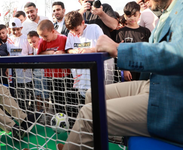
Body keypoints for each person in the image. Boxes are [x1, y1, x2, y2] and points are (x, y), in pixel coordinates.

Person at [58, 0, 183, 149]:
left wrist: (119, 49)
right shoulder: (167, 11)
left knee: (88, 115)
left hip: (172, 98)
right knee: (92, 94)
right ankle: (82, 144)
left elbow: (177, 54)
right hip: (155, 84)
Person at [37, 20, 73, 119]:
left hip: (65, 75)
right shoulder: (43, 41)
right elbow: (39, 55)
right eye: (41, 36)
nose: (43, 38)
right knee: (56, 100)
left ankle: (70, 119)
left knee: (68, 99)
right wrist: (49, 53)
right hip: (50, 76)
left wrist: (63, 54)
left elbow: (71, 53)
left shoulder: (63, 39)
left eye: (45, 36)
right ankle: (59, 120)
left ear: (53, 31)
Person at [116, 1, 151, 81]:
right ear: (125, 16)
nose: (132, 18)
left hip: (144, 67)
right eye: (129, 16)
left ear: (139, 14)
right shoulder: (121, 32)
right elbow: (120, 51)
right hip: (129, 68)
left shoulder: (146, 31)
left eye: (135, 15)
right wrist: (125, 69)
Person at [6, 18, 34, 110]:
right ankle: (20, 110)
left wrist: (27, 64)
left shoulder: (26, 38)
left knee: (27, 90)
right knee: (17, 91)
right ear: (10, 29)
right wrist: (7, 67)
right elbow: (9, 53)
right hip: (13, 70)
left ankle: (29, 109)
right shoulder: (9, 39)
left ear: (21, 28)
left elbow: (30, 53)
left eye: (17, 29)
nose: (15, 31)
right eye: (13, 29)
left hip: (25, 70)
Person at [27, 31, 49, 111]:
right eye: (30, 42)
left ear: (39, 39)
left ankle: (47, 112)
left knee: (45, 95)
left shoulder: (43, 48)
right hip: (36, 76)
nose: (32, 44)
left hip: (44, 75)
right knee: (37, 94)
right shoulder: (32, 51)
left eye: (34, 41)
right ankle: (39, 111)